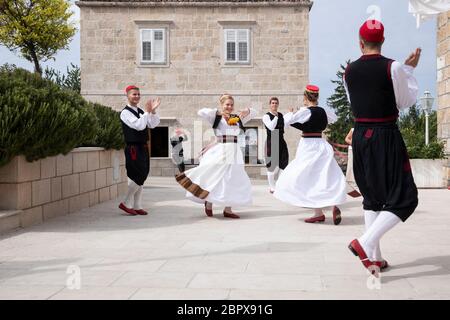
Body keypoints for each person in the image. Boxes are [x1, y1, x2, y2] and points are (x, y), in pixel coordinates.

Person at [344, 20, 420, 273]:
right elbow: (405, 101)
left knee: (372, 198)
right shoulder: (393, 67)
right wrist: (408, 71)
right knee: (405, 198)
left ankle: (375, 258)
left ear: (360, 42)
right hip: (385, 134)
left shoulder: (349, 71)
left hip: (361, 133)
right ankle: (365, 242)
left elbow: (354, 103)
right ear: (383, 41)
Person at [273, 85, 347, 225]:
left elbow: (286, 122)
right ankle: (323, 210)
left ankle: (318, 211)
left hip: (308, 145)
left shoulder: (305, 111)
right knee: (325, 175)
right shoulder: (323, 111)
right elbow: (335, 119)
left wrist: (290, 113)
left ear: (306, 97)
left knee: (301, 175)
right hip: (321, 144)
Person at [175, 94, 256, 219]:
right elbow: (201, 112)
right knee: (216, 176)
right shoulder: (216, 117)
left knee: (233, 178)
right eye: (227, 104)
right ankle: (209, 202)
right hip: (221, 149)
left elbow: (254, 114)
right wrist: (217, 112)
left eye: (231, 104)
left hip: (234, 152)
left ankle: (228, 209)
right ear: (222, 105)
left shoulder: (237, 118)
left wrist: (248, 111)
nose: (229, 107)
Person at [118, 85, 161, 216]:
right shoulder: (125, 113)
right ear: (127, 96)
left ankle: (137, 205)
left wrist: (152, 112)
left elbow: (152, 124)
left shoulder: (142, 111)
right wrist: (148, 113)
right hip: (133, 148)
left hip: (143, 147)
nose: (136, 96)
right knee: (139, 175)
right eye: (134, 94)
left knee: (143, 175)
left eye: (138, 94)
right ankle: (126, 203)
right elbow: (138, 125)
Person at [262, 97, 291, 194]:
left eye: (276, 103)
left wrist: (290, 114)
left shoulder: (281, 115)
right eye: (273, 103)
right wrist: (276, 116)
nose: (274, 104)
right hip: (272, 140)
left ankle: (279, 184)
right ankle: (272, 187)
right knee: (272, 166)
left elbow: (285, 126)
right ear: (270, 105)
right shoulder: (266, 116)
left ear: (278, 104)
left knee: (284, 163)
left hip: (281, 141)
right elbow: (271, 126)